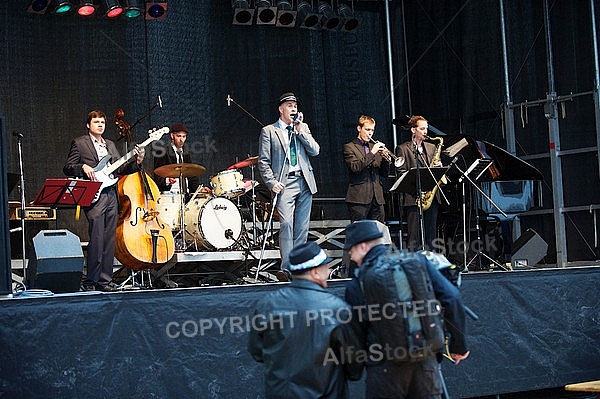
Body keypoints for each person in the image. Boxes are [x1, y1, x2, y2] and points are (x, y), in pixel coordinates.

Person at [343, 220, 470, 399]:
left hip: (385, 372)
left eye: (351, 250)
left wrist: (354, 371)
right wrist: (459, 346)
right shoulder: (419, 261)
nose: (351, 256)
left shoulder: (358, 283)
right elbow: (452, 298)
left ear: (363, 246)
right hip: (426, 366)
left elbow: (356, 334)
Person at [247, 241, 362, 398]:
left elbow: (257, 351)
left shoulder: (267, 304)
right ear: (315, 272)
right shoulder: (338, 309)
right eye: (325, 267)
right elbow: (354, 364)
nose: (329, 272)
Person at [63, 110, 145, 292]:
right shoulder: (80, 143)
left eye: (102, 122)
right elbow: (68, 168)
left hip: (111, 194)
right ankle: (91, 281)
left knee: (109, 239)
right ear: (88, 125)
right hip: (94, 194)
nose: (100, 125)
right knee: (97, 238)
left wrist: (138, 160)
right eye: (96, 122)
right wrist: (82, 167)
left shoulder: (110, 144)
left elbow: (121, 168)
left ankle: (105, 280)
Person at [258, 92, 320, 272]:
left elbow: (315, 151)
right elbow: (263, 161)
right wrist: (272, 182)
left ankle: (299, 267)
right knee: (286, 224)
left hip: (305, 181)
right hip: (285, 184)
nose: (294, 109)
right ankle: (286, 268)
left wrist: (301, 131)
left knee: (302, 227)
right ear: (281, 109)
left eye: (295, 106)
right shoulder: (269, 131)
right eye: (290, 106)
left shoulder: (302, 127)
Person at [395, 115, 442, 251]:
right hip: (413, 197)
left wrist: (438, 168)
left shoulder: (432, 147)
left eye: (426, 128)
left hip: (430, 198)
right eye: (422, 129)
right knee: (414, 237)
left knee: (431, 236)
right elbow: (401, 173)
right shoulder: (402, 149)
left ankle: (431, 265)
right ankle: (413, 267)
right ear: (413, 130)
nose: (425, 132)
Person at [343, 115, 391, 223]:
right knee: (360, 234)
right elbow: (355, 167)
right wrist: (372, 152)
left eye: (372, 130)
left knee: (378, 234)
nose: (370, 133)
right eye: (367, 129)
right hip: (359, 198)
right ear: (359, 128)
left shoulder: (374, 147)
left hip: (377, 199)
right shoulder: (349, 147)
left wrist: (385, 159)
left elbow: (384, 174)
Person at [153, 123, 200, 196]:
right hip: (170, 194)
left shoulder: (185, 152)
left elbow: (191, 174)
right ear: (172, 136)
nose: (182, 140)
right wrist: (168, 180)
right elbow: (157, 175)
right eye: (179, 136)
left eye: (184, 136)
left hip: (186, 194)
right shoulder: (162, 151)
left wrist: (199, 189)